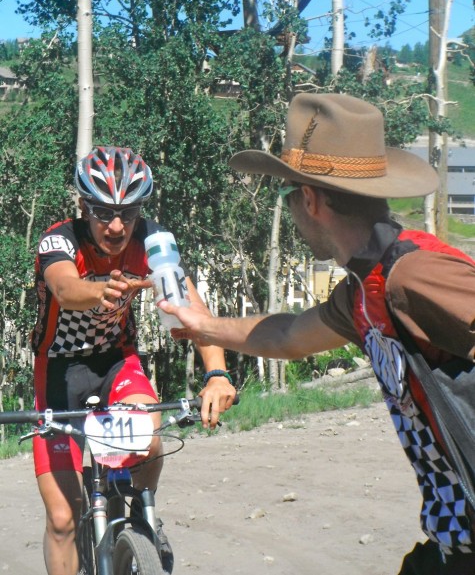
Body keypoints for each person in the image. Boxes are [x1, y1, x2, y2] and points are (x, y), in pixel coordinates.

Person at [158, 93, 475, 575]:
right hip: (452, 541)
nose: (290, 209)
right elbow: (288, 336)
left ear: (310, 199)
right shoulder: (365, 292)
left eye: (288, 195)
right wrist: (205, 326)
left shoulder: (413, 276)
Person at [31, 146, 236, 575]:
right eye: (104, 212)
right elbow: (65, 288)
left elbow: (190, 307)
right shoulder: (60, 239)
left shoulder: (152, 240)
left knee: (150, 434)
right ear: (83, 206)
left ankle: (143, 514)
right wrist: (102, 289)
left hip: (116, 362)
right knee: (63, 518)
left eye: (130, 211)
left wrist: (216, 373)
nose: (118, 226)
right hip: (59, 372)